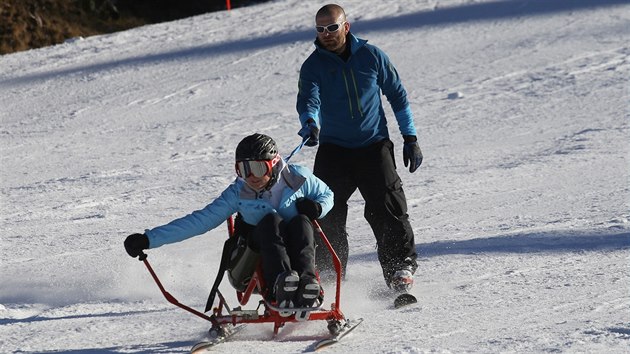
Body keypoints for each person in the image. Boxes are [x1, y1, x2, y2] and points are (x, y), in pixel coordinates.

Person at [124, 133, 334, 310]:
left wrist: (318, 207)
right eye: (243, 170)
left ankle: (307, 284)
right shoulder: (238, 193)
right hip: (251, 261)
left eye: (258, 168)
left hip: (296, 246)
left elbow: (327, 195)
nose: (251, 176)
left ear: (274, 164)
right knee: (270, 221)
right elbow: (200, 221)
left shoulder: (298, 178)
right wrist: (149, 239)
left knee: (301, 222)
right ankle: (282, 284)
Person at [296, 4, 423, 292]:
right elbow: (308, 100)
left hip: (372, 145)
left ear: (346, 26)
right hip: (334, 149)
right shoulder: (313, 65)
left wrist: (410, 137)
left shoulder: (371, 55)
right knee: (325, 210)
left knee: (387, 206)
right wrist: (310, 122)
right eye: (320, 29)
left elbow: (397, 95)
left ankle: (399, 268)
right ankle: (329, 274)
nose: (326, 34)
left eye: (332, 27)